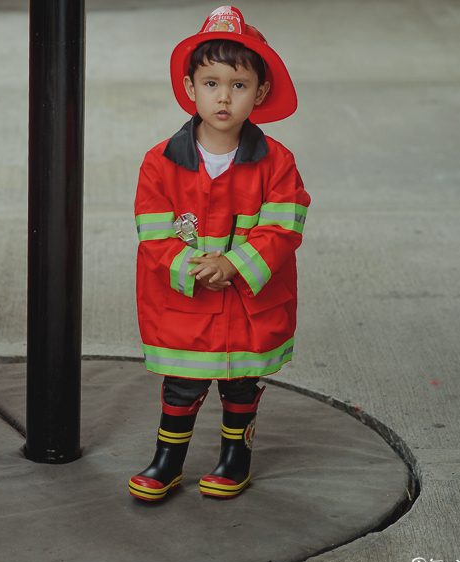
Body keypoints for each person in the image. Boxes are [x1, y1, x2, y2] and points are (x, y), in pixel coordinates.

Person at [128, 6, 310, 501]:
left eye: (239, 85)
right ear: (190, 88)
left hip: (249, 305)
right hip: (186, 302)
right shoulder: (159, 164)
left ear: (260, 92)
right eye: (210, 83)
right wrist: (193, 268)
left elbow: (282, 228)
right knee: (182, 384)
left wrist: (233, 263)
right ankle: (167, 461)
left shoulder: (278, 163)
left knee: (241, 384)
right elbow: (154, 236)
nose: (223, 97)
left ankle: (235, 458)